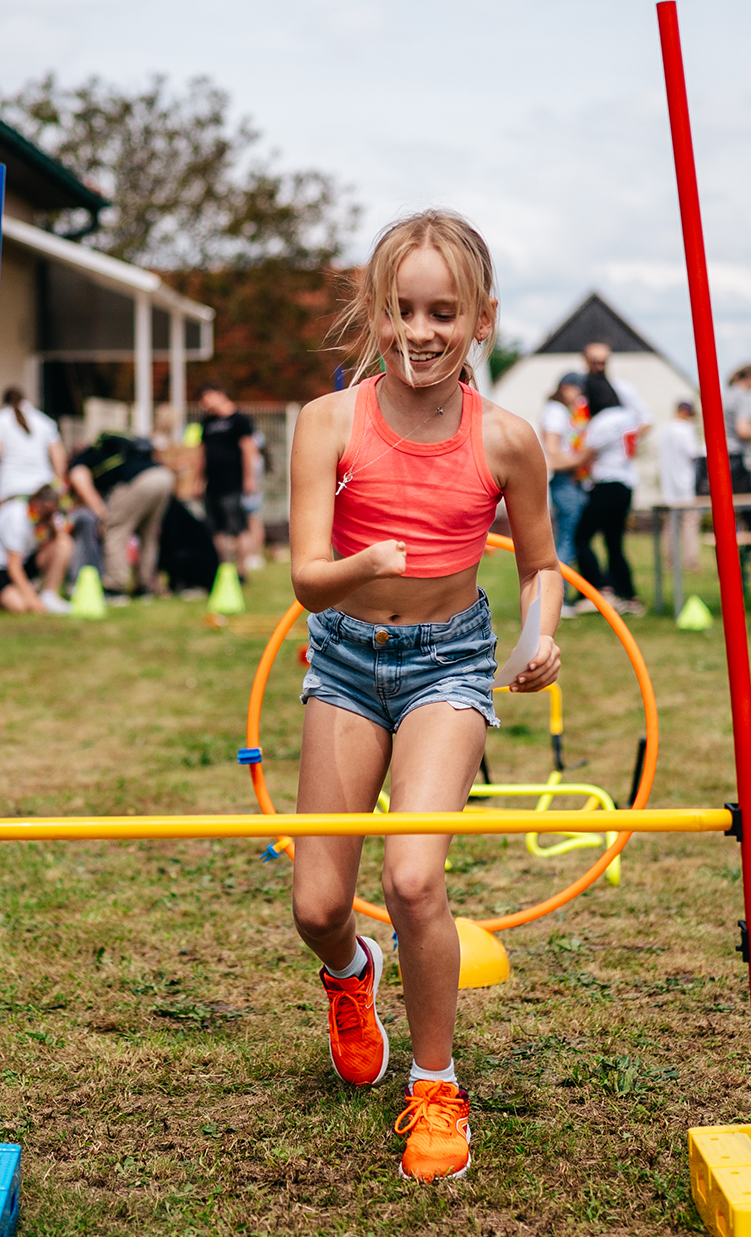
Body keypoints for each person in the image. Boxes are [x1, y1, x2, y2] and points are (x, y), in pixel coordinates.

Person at [290, 209, 560, 1183]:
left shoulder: (510, 440)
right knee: (319, 903)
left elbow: (540, 565)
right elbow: (306, 580)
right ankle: (349, 972)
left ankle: (435, 1085)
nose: (421, 331)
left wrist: (542, 635)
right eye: (403, 310)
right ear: (376, 310)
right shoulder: (327, 424)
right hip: (346, 660)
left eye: (443, 312)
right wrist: (364, 559)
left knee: (412, 880)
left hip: (449, 662)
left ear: (479, 318)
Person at [570, 341, 645, 614]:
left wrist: (556, 463)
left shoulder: (601, 422)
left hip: (606, 483)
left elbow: (583, 456)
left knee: (581, 538)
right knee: (614, 543)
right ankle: (629, 596)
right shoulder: (626, 416)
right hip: (625, 483)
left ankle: (601, 590)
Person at [66, 429, 177, 601]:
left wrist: (102, 514)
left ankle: (115, 587)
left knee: (114, 530)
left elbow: (80, 482)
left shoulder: (80, 461)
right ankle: (145, 587)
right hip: (163, 476)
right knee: (148, 533)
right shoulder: (108, 451)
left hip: (138, 480)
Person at [537, 374, 591, 614]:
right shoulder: (557, 411)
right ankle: (559, 601)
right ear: (567, 389)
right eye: (578, 391)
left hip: (566, 481)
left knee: (567, 539)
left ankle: (560, 600)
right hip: (564, 480)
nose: (580, 398)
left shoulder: (556, 410)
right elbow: (552, 452)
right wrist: (581, 460)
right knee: (567, 541)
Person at [0, 483, 73, 614]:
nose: (47, 515)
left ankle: (49, 596)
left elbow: (57, 541)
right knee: (21, 606)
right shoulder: (16, 517)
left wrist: (54, 524)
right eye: (46, 511)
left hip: (24, 562)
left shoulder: (44, 518)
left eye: (52, 512)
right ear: (35, 503)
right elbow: (13, 567)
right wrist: (34, 601)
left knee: (63, 544)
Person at [197, 386, 262, 572]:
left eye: (206, 398)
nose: (203, 404)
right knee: (216, 529)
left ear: (219, 394)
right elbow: (202, 453)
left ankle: (242, 570)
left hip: (233, 484)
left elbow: (249, 451)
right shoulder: (207, 422)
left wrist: (249, 479)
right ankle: (223, 569)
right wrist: (198, 480)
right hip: (212, 484)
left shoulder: (240, 420)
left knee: (237, 527)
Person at [0, 386, 63, 505]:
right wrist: (58, 488)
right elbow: (59, 459)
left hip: (11, 489)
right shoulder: (44, 420)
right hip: (42, 490)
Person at [721, 363, 751, 496]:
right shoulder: (742, 396)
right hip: (738, 458)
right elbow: (742, 430)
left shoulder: (727, 394)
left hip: (724, 455)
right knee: (748, 509)